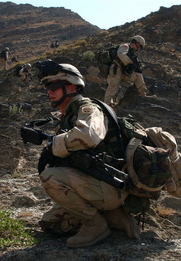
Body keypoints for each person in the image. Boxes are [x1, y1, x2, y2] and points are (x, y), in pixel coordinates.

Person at [35, 60, 139, 248]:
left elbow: (88, 135)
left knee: (49, 178)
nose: (49, 91)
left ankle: (95, 225)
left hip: (110, 185)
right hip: (99, 185)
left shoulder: (88, 108)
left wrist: (53, 144)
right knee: (52, 223)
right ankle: (116, 218)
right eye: (46, 87)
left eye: (54, 86)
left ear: (72, 87)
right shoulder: (68, 115)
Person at [104, 35, 147, 106]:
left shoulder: (132, 52)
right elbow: (121, 54)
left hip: (124, 71)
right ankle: (107, 106)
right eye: (140, 47)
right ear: (137, 43)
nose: (139, 49)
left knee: (137, 76)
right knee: (113, 86)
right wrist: (131, 62)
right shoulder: (125, 46)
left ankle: (143, 95)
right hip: (116, 68)